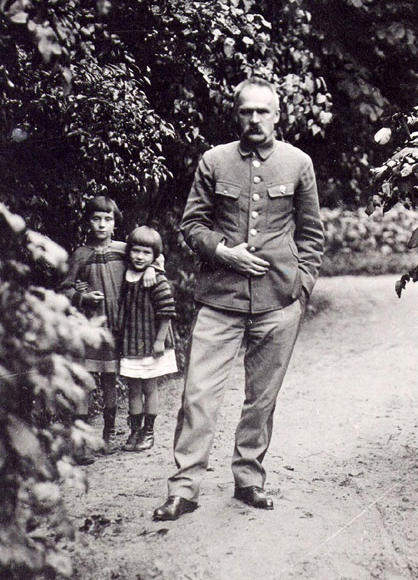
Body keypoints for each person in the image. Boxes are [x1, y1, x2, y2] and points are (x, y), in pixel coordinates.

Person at [153, 76, 324, 521]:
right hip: (220, 299)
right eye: (246, 111)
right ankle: (184, 488)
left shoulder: (298, 163)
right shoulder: (214, 161)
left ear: (277, 115)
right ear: (236, 115)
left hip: (278, 300)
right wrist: (223, 252)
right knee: (197, 395)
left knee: (261, 399)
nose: (254, 119)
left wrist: (301, 289)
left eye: (262, 111)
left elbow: (311, 234)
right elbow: (192, 225)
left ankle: (249, 479)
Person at [60, 196, 159, 463]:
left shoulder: (124, 250)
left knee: (109, 379)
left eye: (108, 219)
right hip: (90, 330)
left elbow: (150, 256)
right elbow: (65, 288)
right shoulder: (80, 254)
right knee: (84, 381)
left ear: (115, 222)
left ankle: (108, 434)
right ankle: (80, 442)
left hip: (119, 328)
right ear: (88, 222)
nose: (102, 225)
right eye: (96, 219)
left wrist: (152, 268)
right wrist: (82, 297)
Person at [118, 226, 177, 452]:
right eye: (136, 251)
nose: (140, 257)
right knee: (134, 388)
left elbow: (167, 312)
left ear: (154, 256)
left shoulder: (157, 280)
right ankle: (135, 431)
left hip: (150, 341)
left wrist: (160, 341)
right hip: (133, 341)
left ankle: (149, 432)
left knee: (149, 387)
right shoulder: (125, 274)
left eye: (146, 253)